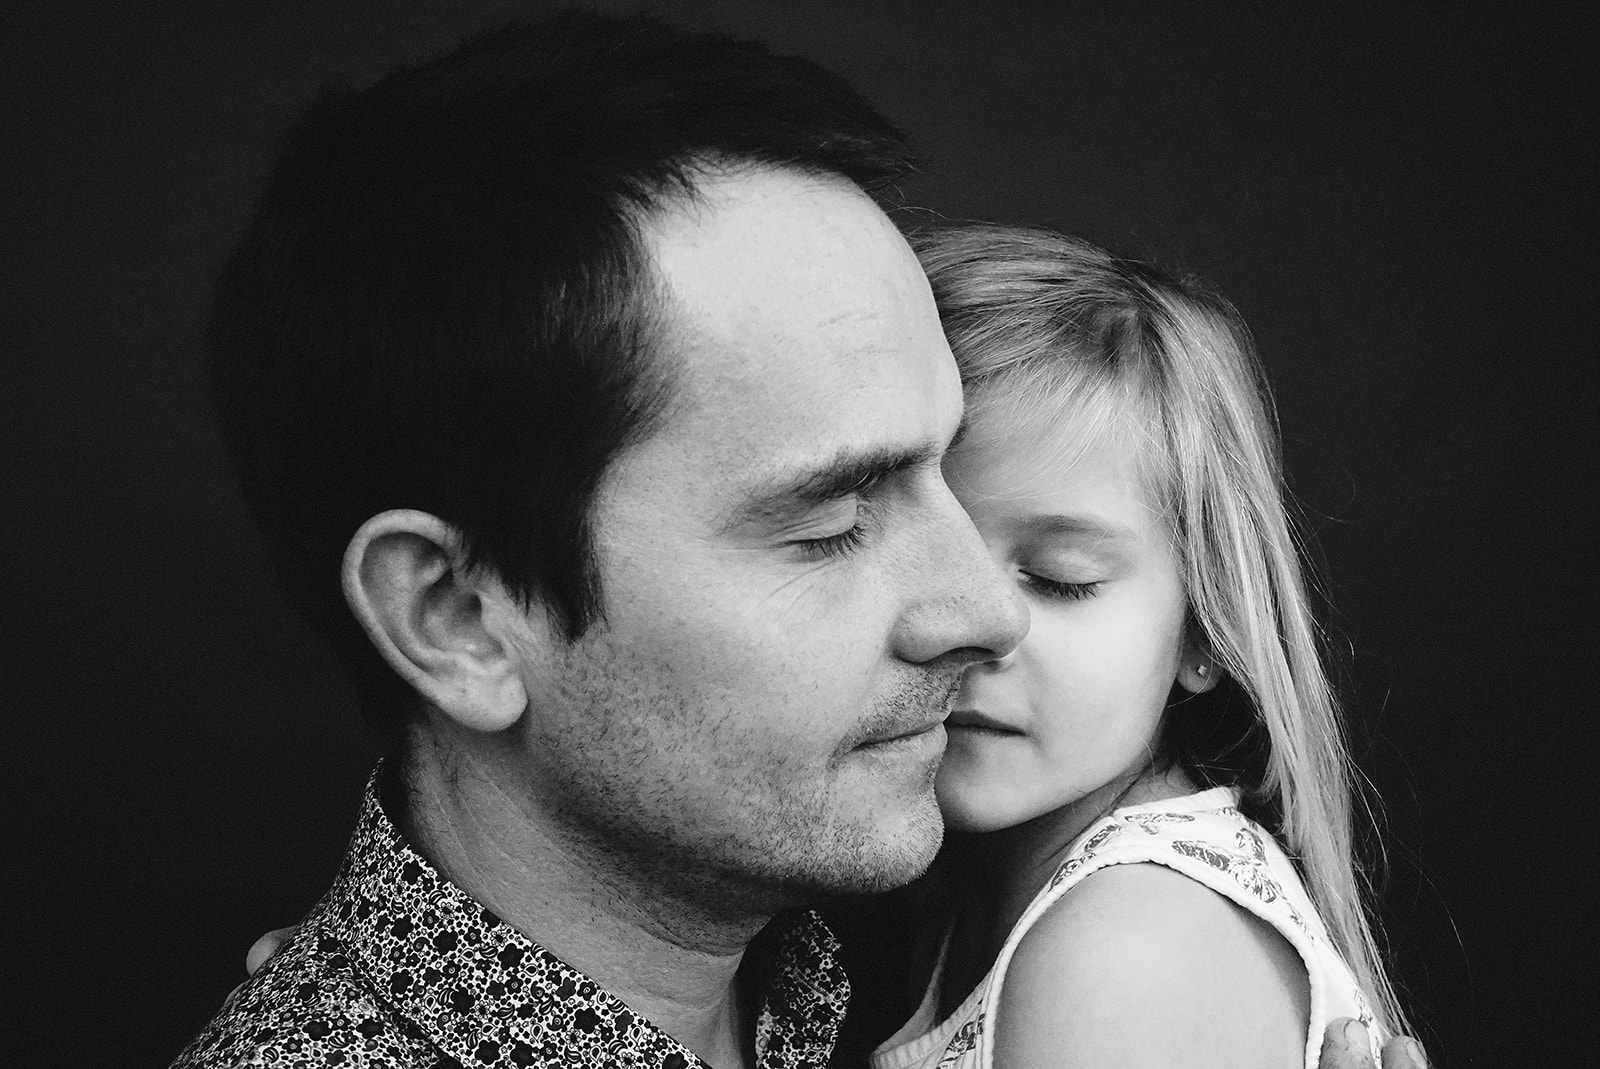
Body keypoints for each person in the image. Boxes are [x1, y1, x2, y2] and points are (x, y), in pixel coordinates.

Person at [179, 11, 1423, 1069]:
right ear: (457, 617)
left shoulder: (833, 946)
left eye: (945, 476)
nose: (984, 613)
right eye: (831, 524)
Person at [852, 222, 1417, 1069]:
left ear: (1204, 631)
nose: (974, 621)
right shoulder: (966, 897)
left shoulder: (1126, 956)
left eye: (1060, 579)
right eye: (920, 554)